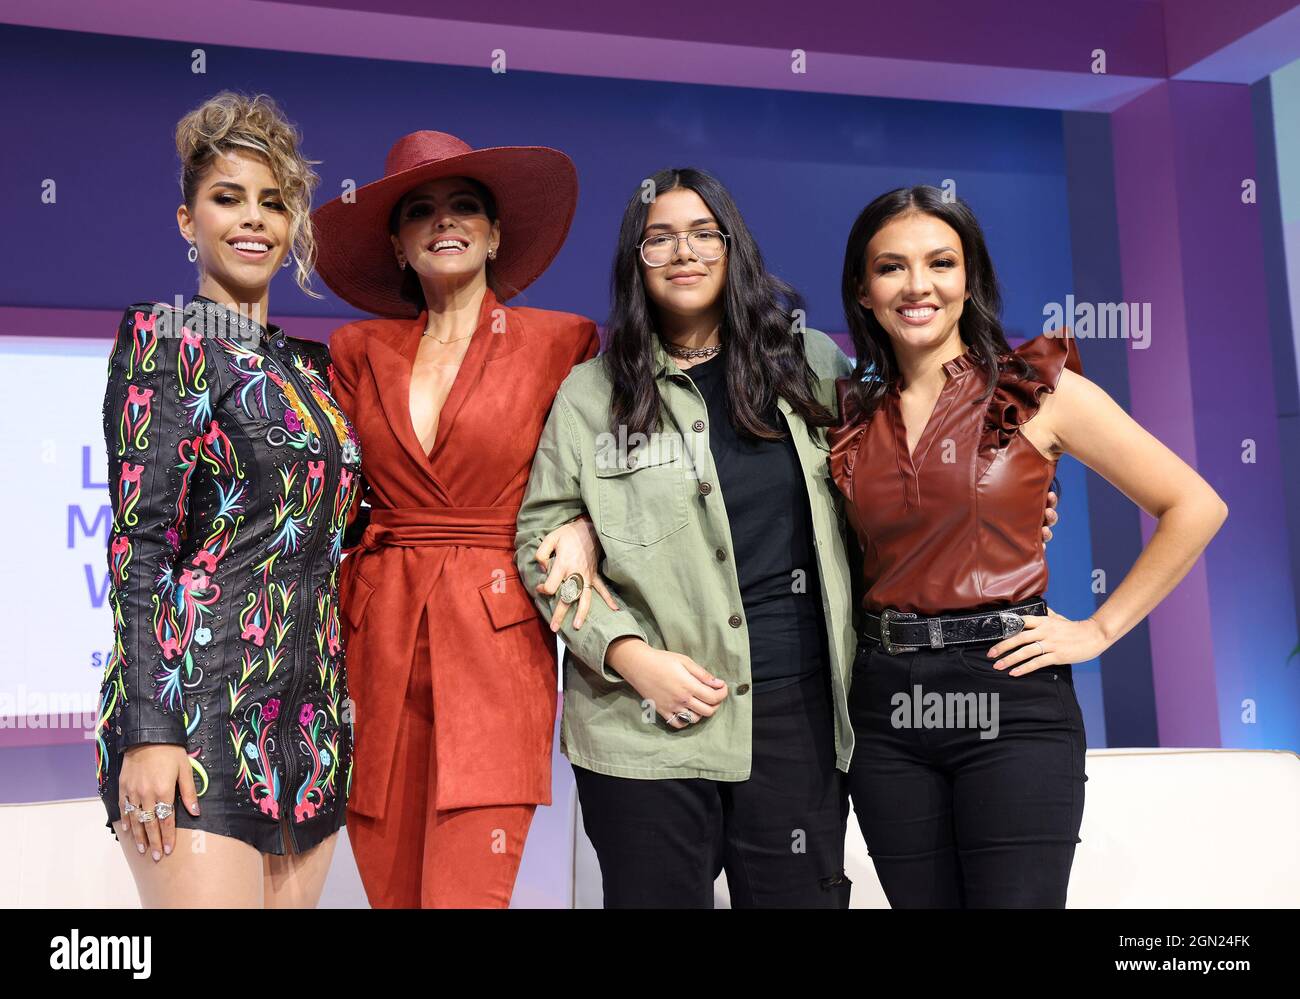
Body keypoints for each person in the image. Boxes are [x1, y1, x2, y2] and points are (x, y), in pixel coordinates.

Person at [516, 168, 1060, 907]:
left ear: (733, 248)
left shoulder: (813, 370)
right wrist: (628, 654)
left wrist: (1006, 515)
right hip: (644, 723)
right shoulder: (589, 394)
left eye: (705, 234)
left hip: (797, 717)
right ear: (634, 261)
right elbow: (539, 538)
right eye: (660, 239)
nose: (685, 252)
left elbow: (897, 485)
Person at [829, 185, 1228, 908]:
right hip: (883, 705)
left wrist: (1100, 628)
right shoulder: (847, 415)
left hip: (1010, 695)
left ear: (970, 277)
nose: (918, 285)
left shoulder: (1040, 389)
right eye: (891, 267)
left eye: (940, 263)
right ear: (862, 288)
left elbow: (1195, 504)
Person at [312, 130, 613, 908]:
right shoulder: (356, 349)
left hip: (495, 645)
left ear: (496, 231)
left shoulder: (562, 341)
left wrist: (582, 521)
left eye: (465, 206)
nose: (445, 222)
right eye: (421, 210)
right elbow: (331, 497)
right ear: (398, 241)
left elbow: (601, 475)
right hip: (376, 645)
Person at [97, 91, 363, 907]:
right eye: (227, 197)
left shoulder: (312, 373)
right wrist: (148, 727)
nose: (254, 220)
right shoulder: (168, 338)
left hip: (308, 739)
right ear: (188, 221)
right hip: (194, 717)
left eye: (273, 201)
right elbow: (142, 547)